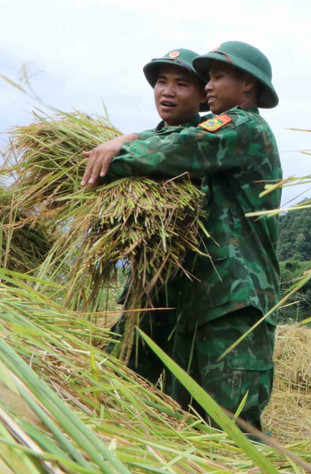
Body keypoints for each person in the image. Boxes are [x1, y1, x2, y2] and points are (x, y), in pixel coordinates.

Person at [83, 41, 282, 432]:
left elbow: (176, 149)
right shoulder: (222, 133)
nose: (208, 85)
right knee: (185, 421)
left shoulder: (244, 127)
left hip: (233, 298)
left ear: (247, 85)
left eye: (217, 76)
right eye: (206, 77)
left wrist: (113, 150)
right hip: (201, 299)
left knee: (232, 429)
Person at [110, 48, 209, 384]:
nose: (167, 91)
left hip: (198, 295)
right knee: (120, 383)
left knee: (188, 405)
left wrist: (124, 143)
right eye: (161, 82)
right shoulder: (146, 141)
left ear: (203, 95)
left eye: (181, 84)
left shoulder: (211, 140)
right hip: (146, 291)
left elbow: (171, 150)